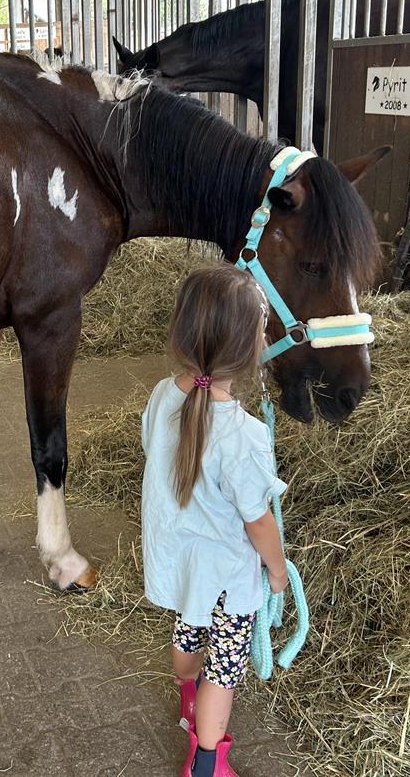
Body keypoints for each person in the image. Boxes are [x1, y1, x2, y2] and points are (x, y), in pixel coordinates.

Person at [140, 265, 289, 777]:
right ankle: (205, 763)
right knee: (223, 673)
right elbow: (259, 521)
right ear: (249, 349)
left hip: (180, 560)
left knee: (188, 634)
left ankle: (188, 696)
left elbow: (154, 454)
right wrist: (276, 570)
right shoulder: (243, 436)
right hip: (226, 577)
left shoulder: (163, 395)